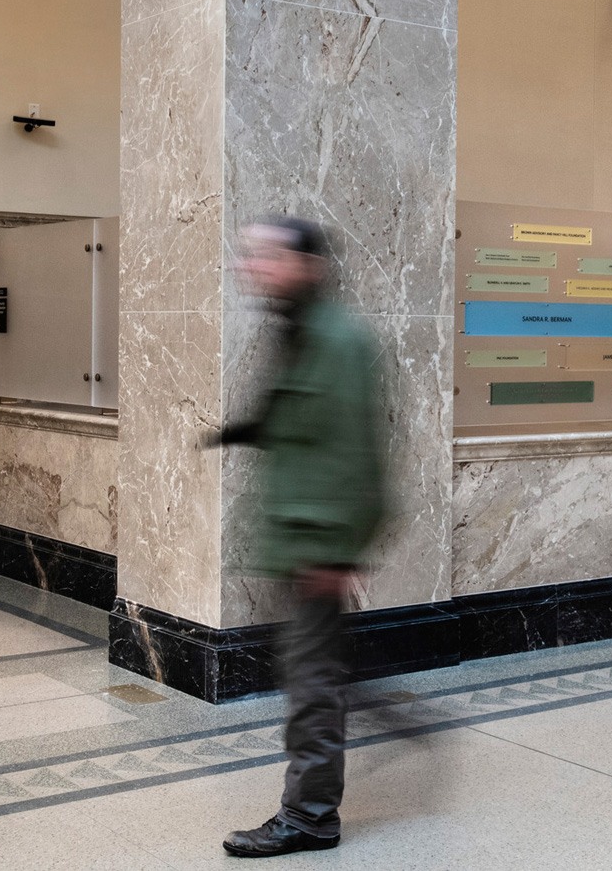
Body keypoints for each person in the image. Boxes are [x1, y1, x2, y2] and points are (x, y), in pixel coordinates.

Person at [208, 217, 390, 859]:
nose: (251, 266)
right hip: (297, 537)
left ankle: (310, 817)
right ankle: (324, 789)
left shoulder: (336, 339)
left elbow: (360, 454)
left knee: (313, 679)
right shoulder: (299, 329)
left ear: (307, 265)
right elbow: (301, 422)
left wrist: (341, 547)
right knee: (310, 669)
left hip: (318, 543)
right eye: (249, 254)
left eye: (266, 256)